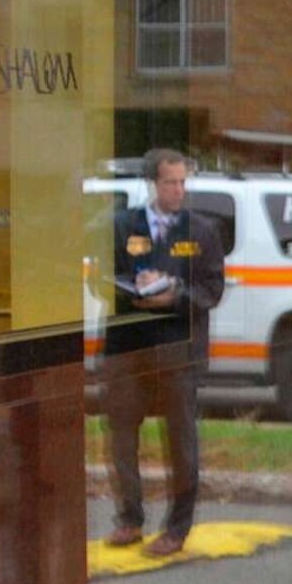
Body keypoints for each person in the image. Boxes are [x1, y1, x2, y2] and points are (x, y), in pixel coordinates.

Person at [101, 149, 226, 558]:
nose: (178, 190)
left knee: (181, 440)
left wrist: (174, 293)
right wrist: (134, 286)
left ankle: (177, 528)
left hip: (178, 350)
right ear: (153, 184)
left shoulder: (202, 232)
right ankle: (130, 519)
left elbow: (211, 291)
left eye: (182, 182)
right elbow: (101, 281)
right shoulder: (121, 227)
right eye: (170, 182)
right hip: (128, 347)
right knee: (121, 434)